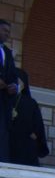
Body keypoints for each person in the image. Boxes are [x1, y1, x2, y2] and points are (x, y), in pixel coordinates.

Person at [8, 69, 48, 166]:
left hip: (25, 144)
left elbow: (38, 124)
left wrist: (35, 134)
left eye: (18, 81)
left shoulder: (31, 103)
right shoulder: (4, 99)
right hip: (7, 141)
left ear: (23, 84)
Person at [0, 19, 19, 162]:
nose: (7, 34)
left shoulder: (7, 52)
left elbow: (13, 75)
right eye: (5, 31)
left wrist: (14, 86)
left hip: (3, 100)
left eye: (8, 31)